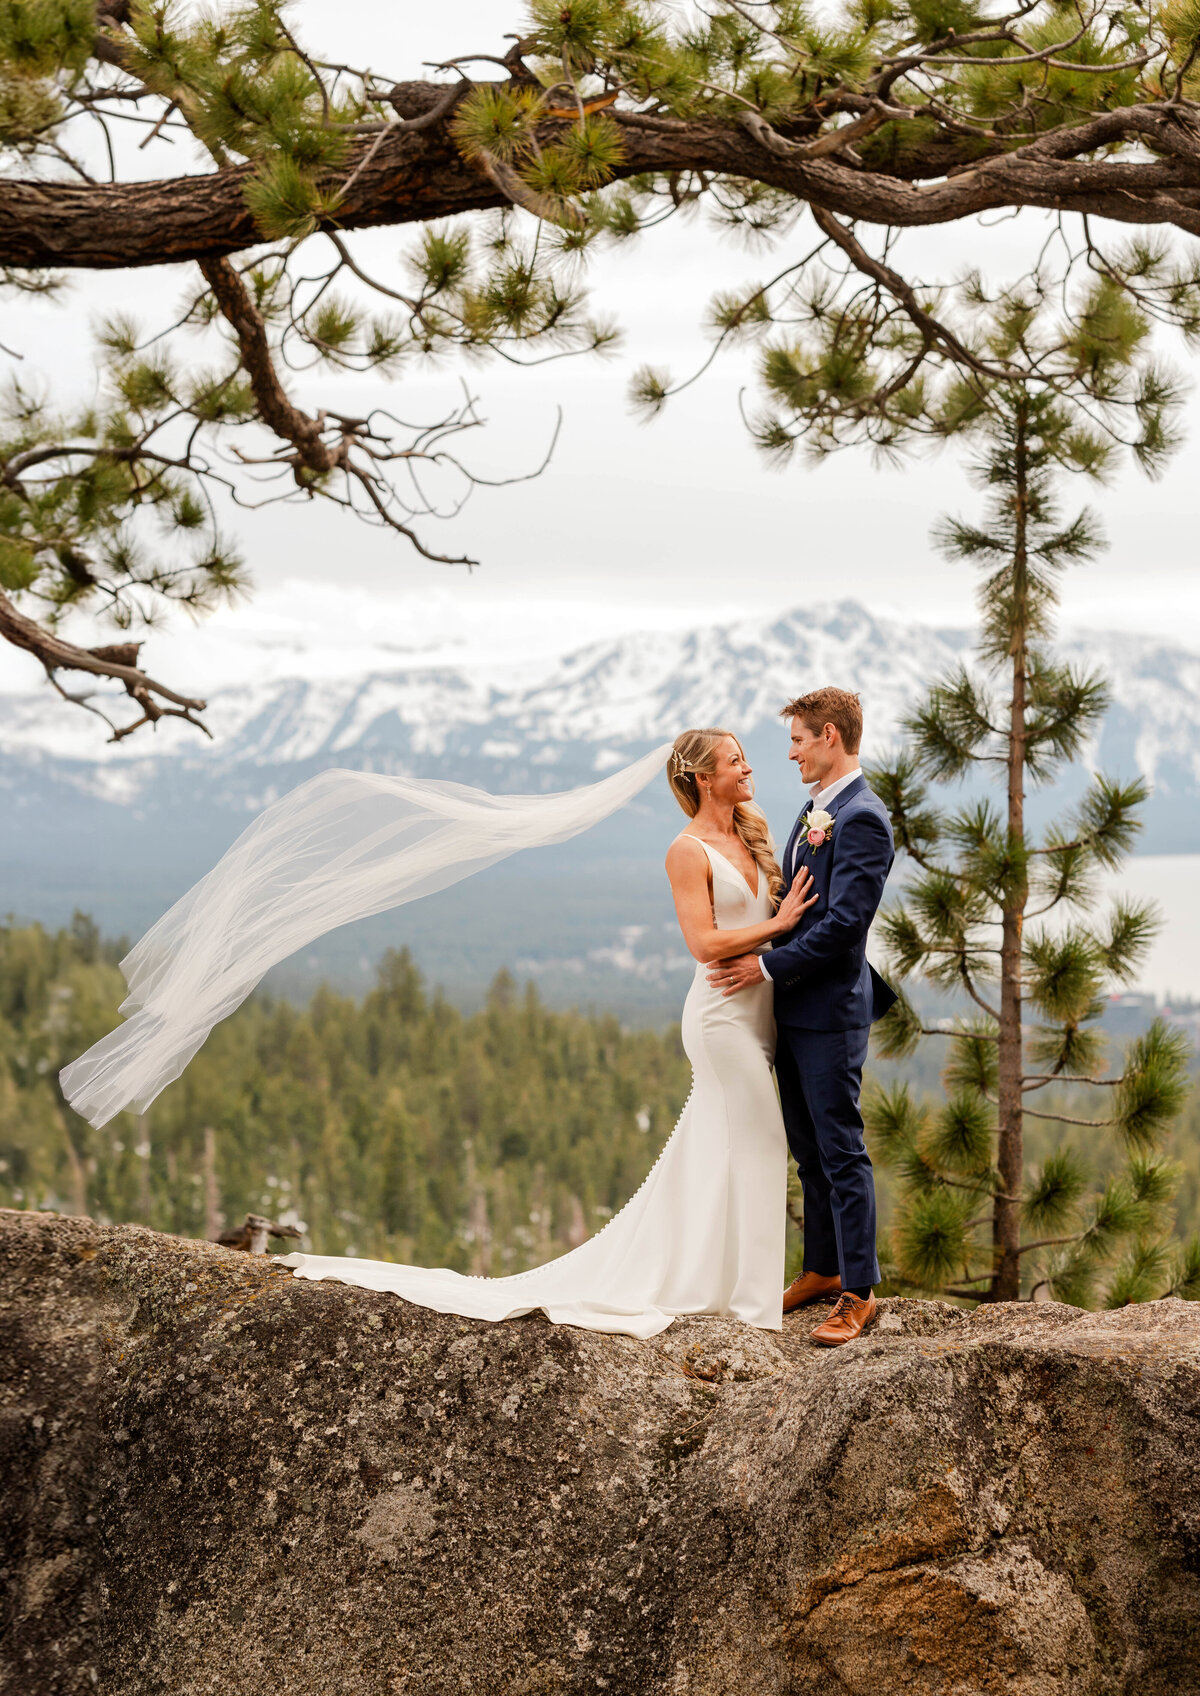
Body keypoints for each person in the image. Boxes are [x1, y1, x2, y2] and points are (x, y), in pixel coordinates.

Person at [280, 726, 816, 1338]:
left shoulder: (755, 831)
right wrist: (778, 924)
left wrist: (786, 929)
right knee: (765, 1146)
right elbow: (703, 943)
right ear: (701, 777)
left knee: (720, 1151)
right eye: (735, 760)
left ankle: (711, 1284)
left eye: (744, 759)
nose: (748, 768)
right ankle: (755, 1311)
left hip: (758, 1015)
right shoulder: (686, 851)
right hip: (721, 1019)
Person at [706, 688, 897, 1346]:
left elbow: (846, 924)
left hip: (830, 1012)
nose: (789, 752)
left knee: (842, 1151)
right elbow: (796, 904)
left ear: (831, 739)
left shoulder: (863, 817)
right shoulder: (815, 810)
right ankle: (820, 1267)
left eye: (798, 740)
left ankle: (859, 1291)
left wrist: (764, 966)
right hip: (792, 1008)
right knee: (810, 1153)